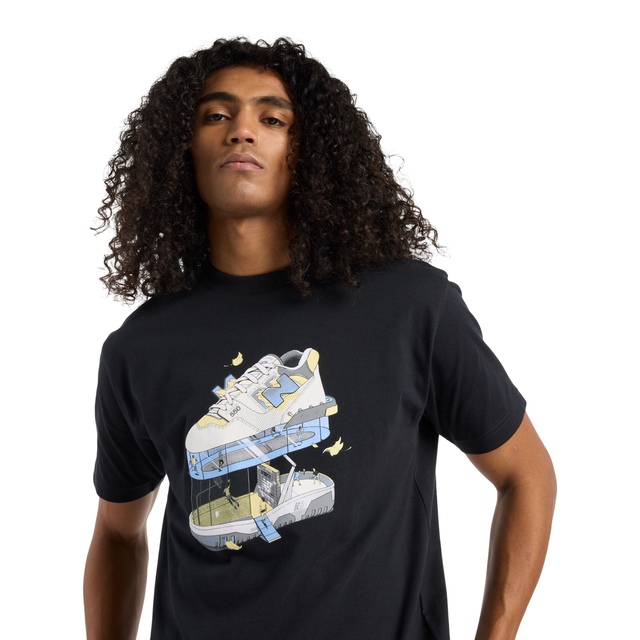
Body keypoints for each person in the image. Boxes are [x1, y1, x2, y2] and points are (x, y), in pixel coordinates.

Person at [84, 37, 556, 640]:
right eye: (216, 115)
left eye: (272, 119)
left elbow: (526, 475)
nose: (241, 131)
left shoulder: (410, 306)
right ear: (182, 149)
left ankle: (290, 404)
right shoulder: (140, 348)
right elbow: (118, 532)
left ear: (305, 151)